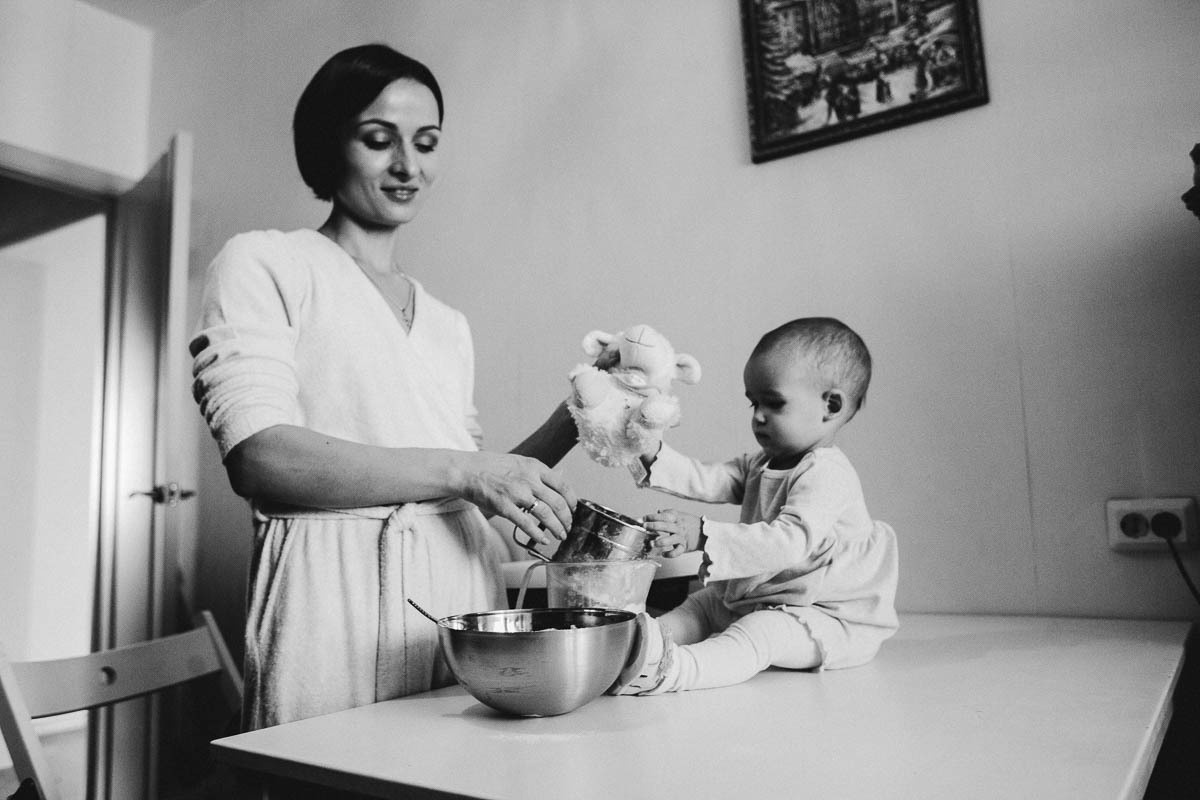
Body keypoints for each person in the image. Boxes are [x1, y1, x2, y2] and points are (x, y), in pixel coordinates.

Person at [189, 43, 580, 729]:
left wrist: (574, 419)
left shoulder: (447, 323)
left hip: (458, 602)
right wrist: (468, 471)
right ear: (327, 145)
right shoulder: (266, 264)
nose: (408, 166)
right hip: (331, 604)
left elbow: (468, 496)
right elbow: (260, 458)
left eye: (426, 143)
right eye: (379, 140)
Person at [609, 317, 898, 695]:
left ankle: (675, 671)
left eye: (774, 403)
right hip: (770, 597)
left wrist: (701, 533)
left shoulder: (827, 474)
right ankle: (640, 645)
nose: (758, 417)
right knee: (705, 603)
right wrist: (649, 450)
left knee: (758, 634)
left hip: (823, 616)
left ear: (831, 405)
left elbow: (789, 542)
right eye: (754, 403)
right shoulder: (763, 462)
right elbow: (708, 478)